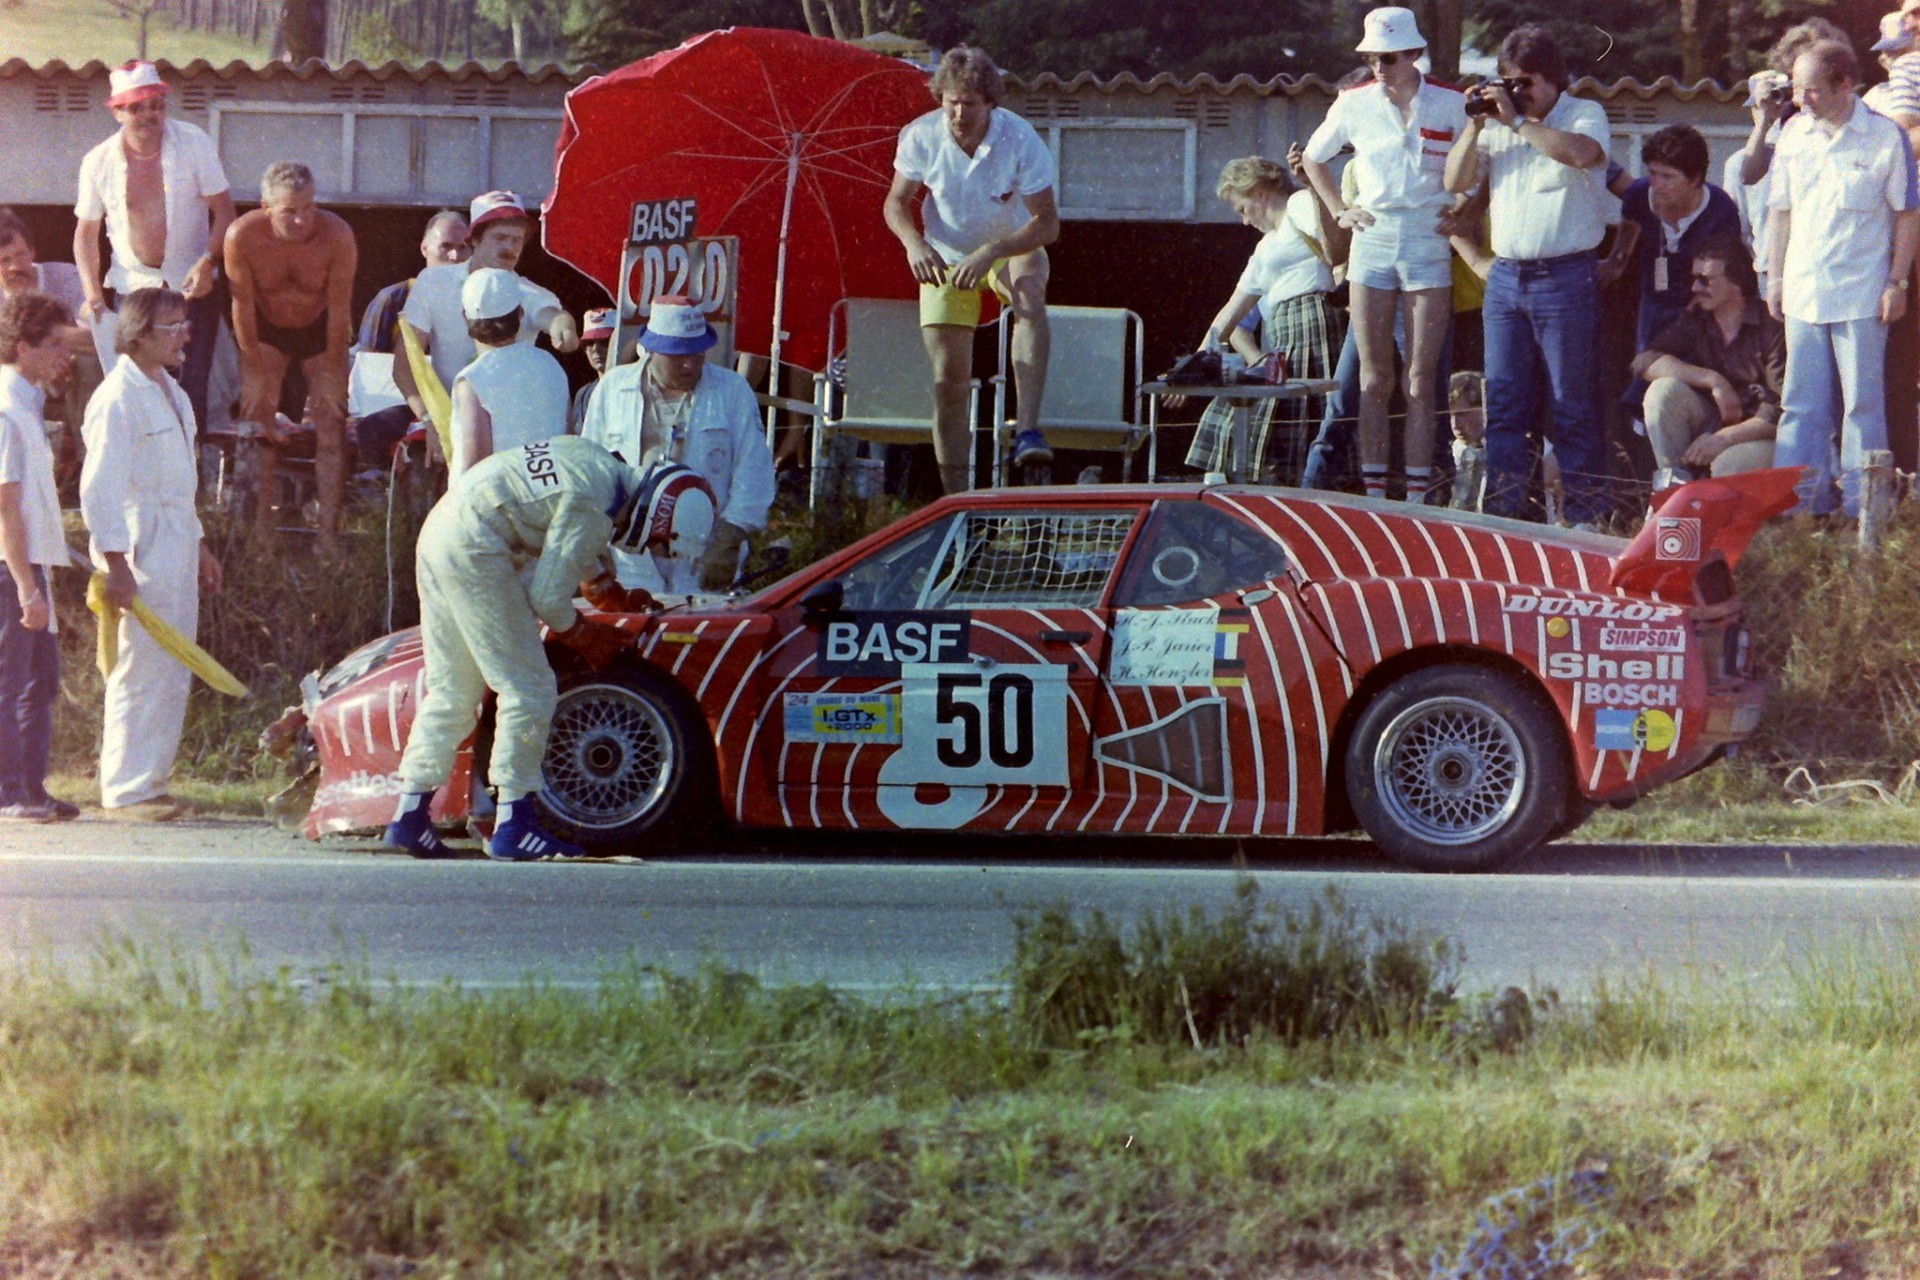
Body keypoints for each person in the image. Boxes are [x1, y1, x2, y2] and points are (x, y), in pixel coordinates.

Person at [381, 436, 683, 861]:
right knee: (529, 687)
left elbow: (561, 527)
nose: (651, 545)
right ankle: (514, 825)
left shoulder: (594, 461)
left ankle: (409, 816)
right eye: (659, 539)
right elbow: (549, 598)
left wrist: (604, 589)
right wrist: (582, 633)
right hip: (478, 548)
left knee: (454, 690)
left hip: (441, 532)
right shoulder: (595, 505)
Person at [1444, 24, 1613, 528]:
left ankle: (1584, 517)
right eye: (1507, 82)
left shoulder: (1584, 113)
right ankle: (1504, 516)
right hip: (1507, 279)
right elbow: (1454, 180)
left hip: (1566, 276)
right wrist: (1476, 126)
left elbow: (1582, 154)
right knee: (1505, 403)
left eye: (1526, 83)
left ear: (1553, 79)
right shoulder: (1497, 125)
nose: (1515, 93)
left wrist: (1517, 121)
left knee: (1571, 402)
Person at [1302, 7, 1465, 503]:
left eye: (1389, 57)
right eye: (1372, 56)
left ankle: (1415, 497)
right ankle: (1375, 496)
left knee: (1420, 377)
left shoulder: (1450, 102)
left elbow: (1477, 164)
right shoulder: (1353, 103)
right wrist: (1340, 210)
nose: (1379, 66)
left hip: (1427, 238)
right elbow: (1313, 157)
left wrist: (1465, 209)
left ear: (1414, 54)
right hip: (1372, 238)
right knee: (1373, 379)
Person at [884, 46, 1060, 491]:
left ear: (991, 104)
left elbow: (1048, 224)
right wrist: (913, 244)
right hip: (947, 251)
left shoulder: (1020, 140)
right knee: (948, 382)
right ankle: (955, 498)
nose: (960, 113)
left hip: (1009, 244)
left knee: (1029, 296)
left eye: (971, 104)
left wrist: (991, 252)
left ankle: (1027, 429)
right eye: (951, 102)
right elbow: (896, 202)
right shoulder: (921, 135)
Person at [79, 287, 224, 821]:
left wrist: (201, 546)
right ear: (139, 336)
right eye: (173, 326)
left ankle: (152, 781)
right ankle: (125, 788)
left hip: (178, 537)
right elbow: (99, 489)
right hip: (141, 544)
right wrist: (115, 563)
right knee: (141, 665)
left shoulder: (173, 393)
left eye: (186, 323)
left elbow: (182, 484)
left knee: (171, 664)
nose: (185, 334)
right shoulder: (117, 397)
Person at [1766, 40, 1919, 518]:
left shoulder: (1885, 137)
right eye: (1796, 88)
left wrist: (1897, 283)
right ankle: (1794, 514)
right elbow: (1780, 213)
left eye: (1811, 89)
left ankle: (1864, 517)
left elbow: (1908, 214)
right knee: (1799, 408)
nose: (1800, 99)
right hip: (1803, 292)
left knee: (1862, 409)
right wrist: (1774, 279)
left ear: (1846, 84)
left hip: (1861, 296)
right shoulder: (1792, 134)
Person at [72, 60, 236, 431]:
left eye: (157, 104)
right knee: (135, 391)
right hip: (132, 290)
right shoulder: (97, 161)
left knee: (191, 389)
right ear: (117, 112)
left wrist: (208, 263)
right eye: (137, 106)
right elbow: (85, 234)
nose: (150, 114)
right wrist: (92, 291)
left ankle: (189, 481)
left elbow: (225, 212)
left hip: (192, 287)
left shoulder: (193, 141)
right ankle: (140, 483)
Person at [582, 298, 774, 595]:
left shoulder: (731, 389)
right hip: (630, 556)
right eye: (678, 356)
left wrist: (730, 538)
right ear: (651, 349)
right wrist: (593, 544)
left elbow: (754, 470)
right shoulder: (612, 388)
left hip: (705, 552)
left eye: (698, 354)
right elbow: (589, 467)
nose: (690, 364)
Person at [224, 161, 358, 547]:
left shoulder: (337, 235)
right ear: (267, 206)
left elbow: (339, 308)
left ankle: (327, 536)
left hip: (320, 327)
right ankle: (260, 533)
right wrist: (255, 370)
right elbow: (242, 308)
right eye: (290, 212)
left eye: (308, 208)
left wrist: (332, 373)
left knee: (331, 420)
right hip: (266, 329)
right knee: (257, 416)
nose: (302, 220)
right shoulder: (243, 236)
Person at [1184, 156, 1342, 482]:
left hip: (1314, 321)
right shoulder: (1265, 246)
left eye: (1241, 209)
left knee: (1303, 424)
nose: (1243, 221)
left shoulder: (1298, 204)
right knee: (1243, 414)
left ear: (1258, 193)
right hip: (1284, 335)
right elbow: (1234, 307)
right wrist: (1194, 362)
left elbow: (1336, 251)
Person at [0, 291, 83, 823]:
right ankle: (9, 792)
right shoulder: (6, 410)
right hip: (11, 571)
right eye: (53, 345)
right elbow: (5, 509)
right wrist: (27, 587)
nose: (64, 355)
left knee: (41, 681)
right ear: (23, 347)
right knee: (10, 681)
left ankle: (31, 786)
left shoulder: (27, 405)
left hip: (34, 566)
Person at [393, 190, 577, 422]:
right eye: (500, 237)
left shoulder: (531, 293)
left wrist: (565, 329)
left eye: (516, 240)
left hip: (508, 427)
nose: (509, 247)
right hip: (445, 422)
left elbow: (553, 315)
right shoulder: (433, 282)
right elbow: (405, 362)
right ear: (474, 240)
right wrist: (430, 421)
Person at [1629, 238, 1783, 486]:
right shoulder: (1698, 318)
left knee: (1727, 463)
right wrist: (1714, 381)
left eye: (1706, 280)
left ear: (1736, 282)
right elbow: (1645, 361)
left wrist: (1722, 439)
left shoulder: (1770, 326)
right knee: (1662, 392)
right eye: (1694, 278)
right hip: (1714, 425)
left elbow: (1779, 411)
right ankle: (1675, 491)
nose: (1694, 288)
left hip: (1762, 434)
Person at [1602, 126, 1742, 355]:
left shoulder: (1720, 208)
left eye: (1667, 176)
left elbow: (1727, 272)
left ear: (1695, 178)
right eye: (1653, 174)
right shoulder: (1638, 195)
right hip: (1653, 301)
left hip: (1701, 306)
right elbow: (1629, 227)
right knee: (1646, 373)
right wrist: (1616, 260)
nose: (1657, 184)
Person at [353, 210, 469, 470]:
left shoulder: (480, 298)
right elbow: (368, 370)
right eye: (446, 247)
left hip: (464, 402)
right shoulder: (393, 299)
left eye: (463, 248)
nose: (455, 257)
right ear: (425, 249)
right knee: (371, 429)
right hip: (406, 404)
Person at [448, 268, 570, 476]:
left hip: (505, 501)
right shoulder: (550, 363)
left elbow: (474, 466)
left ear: (464, 316)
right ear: (521, 313)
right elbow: (568, 438)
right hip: (555, 496)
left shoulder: (472, 379)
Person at [1724, 71, 1793, 303]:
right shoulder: (1738, 164)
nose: (1771, 111)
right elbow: (1737, 229)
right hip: (1767, 272)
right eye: (1759, 107)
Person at [568, 306, 615, 435]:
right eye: (589, 344)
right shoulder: (583, 394)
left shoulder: (637, 387)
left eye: (605, 342)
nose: (595, 349)